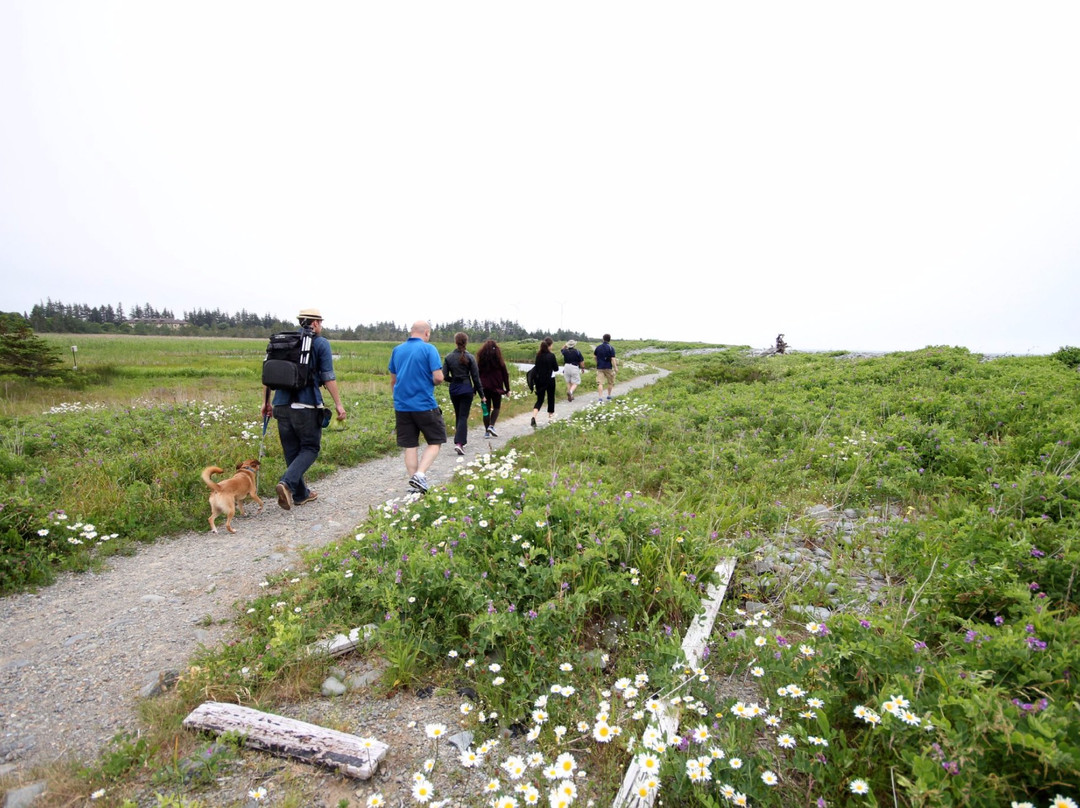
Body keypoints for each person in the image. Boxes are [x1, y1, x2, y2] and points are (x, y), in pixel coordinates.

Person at [261, 308, 346, 510]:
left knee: (292, 451)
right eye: (321, 322)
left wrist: (266, 403)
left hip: (281, 405)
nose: (321, 326)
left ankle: (300, 494)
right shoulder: (320, 343)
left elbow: (267, 375)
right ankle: (287, 483)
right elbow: (328, 377)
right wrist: (338, 404)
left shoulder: (282, 343)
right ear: (315, 323)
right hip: (306, 406)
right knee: (310, 448)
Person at [388, 320, 447, 493]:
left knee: (410, 445)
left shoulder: (397, 350)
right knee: (436, 440)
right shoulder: (429, 349)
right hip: (424, 404)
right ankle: (420, 475)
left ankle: (415, 485)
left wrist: (398, 397)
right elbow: (438, 377)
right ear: (426, 333)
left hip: (402, 406)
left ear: (411, 332)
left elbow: (393, 380)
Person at [442, 332, 485, 455]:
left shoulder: (449, 357)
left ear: (455, 342)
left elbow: (444, 376)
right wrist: (482, 395)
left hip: (454, 389)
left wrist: (453, 380)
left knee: (459, 414)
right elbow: (476, 378)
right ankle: (459, 443)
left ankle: (459, 441)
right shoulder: (470, 357)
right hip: (466, 388)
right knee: (463, 416)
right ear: (466, 342)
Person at [477, 339, 510, 438]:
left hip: (484, 388)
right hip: (496, 388)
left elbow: (476, 375)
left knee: (486, 409)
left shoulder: (481, 361)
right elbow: (505, 375)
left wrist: (475, 389)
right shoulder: (500, 361)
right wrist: (508, 389)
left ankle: (487, 432)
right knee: (496, 407)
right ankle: (491, 426)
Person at [530, 338, 559, 427]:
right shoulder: (551, 356)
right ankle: (550, 419)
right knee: (551, 398)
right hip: (550, 380)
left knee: (540, 400)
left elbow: (537, 367)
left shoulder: (538, 355)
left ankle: (533, 416)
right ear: (549, 345)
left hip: (539, 381)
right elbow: (556, 368)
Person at [594, 333, 617, 402]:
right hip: (608, 367)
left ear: (603, 339)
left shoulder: (598, 347)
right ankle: (609, 395)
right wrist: (615, 367)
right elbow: (613, 359)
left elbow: (595, 357)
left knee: (600, 383)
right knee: (610, 382)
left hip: (600, 367)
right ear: (609, 339)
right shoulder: (611, 348)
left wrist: (597, 362)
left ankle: (600, 397)